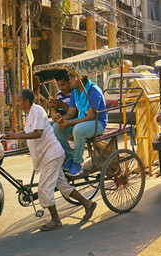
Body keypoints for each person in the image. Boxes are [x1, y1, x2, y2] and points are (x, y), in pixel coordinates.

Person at [6, 89, 96, 231]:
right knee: (63, 185)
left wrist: (17, 137)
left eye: (18, 101)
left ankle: (55, 220)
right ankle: (87, 203)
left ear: (26, 101)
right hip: (48, 156)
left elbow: (37, 133)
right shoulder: (29, 114)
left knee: (43, 188)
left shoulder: (37, 110)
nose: (17, 103)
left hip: (52, 155)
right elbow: (27, 132)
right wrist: (13, 136)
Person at [52, 74, 107, 177]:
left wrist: (69, 123)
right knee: (56, 127)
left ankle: (77, 163)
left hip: (97, 123)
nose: (70, 81)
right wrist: (61, 119)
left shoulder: (94, 90)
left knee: (78, 129)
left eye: (72, 79)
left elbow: (91, 116)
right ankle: (70, 157)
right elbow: (71, 113)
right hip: (81, 122)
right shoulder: (75, 93)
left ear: (79, 79)